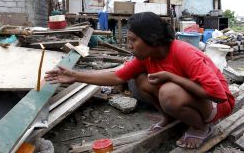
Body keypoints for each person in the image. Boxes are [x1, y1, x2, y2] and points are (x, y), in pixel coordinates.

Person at [45, 12, 235, 149]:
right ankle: (169, 117)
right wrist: (75, 75)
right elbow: (117, 76)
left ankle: (201, 128)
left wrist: (171, 77)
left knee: (168, 91)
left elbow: (217, 95)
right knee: (139, 79)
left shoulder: (183, 52)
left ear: (151, 38)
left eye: (133, 40)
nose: (129, 45)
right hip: (195, 100)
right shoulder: (146, 57)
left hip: (218, 106)